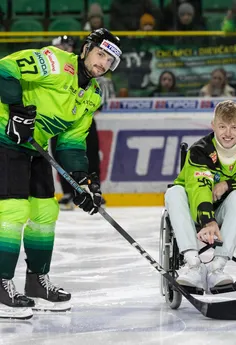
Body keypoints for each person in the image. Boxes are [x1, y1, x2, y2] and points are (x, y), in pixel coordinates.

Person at [0, 28, 122, 319]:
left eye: (110, 60)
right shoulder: (54, 62)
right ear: (86, 49)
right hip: (4, 137)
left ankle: (35, 282)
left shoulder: (91, 96)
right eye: (100, 54)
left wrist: (81, 179)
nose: (103, 63)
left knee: (45, 211)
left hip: (34, 145)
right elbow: (4, 68)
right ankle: (1, 282)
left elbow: (71, 142)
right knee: (14, 209)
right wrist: (16, 107)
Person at [164, 100, 236, 292]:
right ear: (213, 125)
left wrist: (228, 185)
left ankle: (217, 268)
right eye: (222, 126)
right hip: (194, 210)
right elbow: (199, 188)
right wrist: (207, 221)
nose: (227, 133)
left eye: (234, 127)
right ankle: (193, 266)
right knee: (174, 192)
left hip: (224, 213)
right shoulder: (200, 150)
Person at [50, 36, 111, 211]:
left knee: (90, 154)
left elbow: (99, 101)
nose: (63, 48)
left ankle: (92, 189)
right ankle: (69, 192)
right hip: (59, 120)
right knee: (58, 154)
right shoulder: (56, 66)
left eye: (66, 45)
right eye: (60, 46)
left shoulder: (92, 66)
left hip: (84, 118)